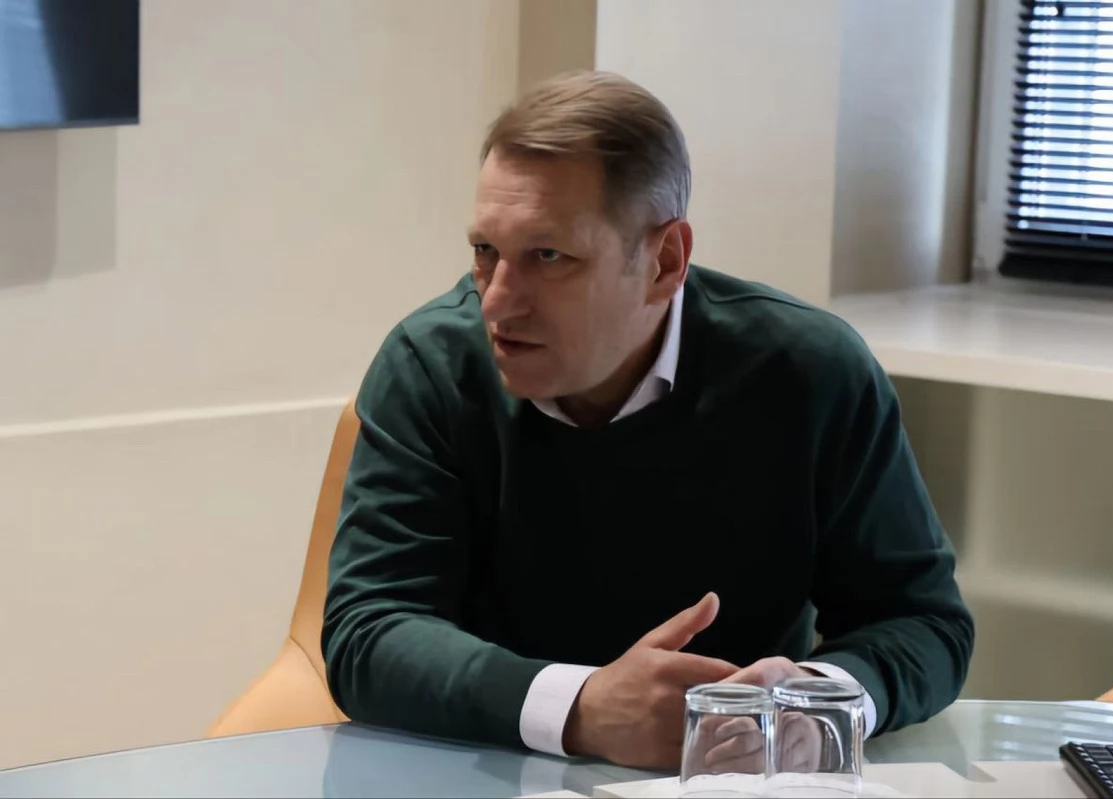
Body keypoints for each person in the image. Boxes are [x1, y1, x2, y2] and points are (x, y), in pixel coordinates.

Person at [322, 70, 974, 771]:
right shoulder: (430, 365)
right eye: (486, 252)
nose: (498, 303)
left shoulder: (810, 371)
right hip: (493, 772)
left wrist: (812, 705)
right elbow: (369, 632)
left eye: (549, 256)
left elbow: (922, 621)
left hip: (732, 780)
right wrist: (581, 708)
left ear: (665, 261)